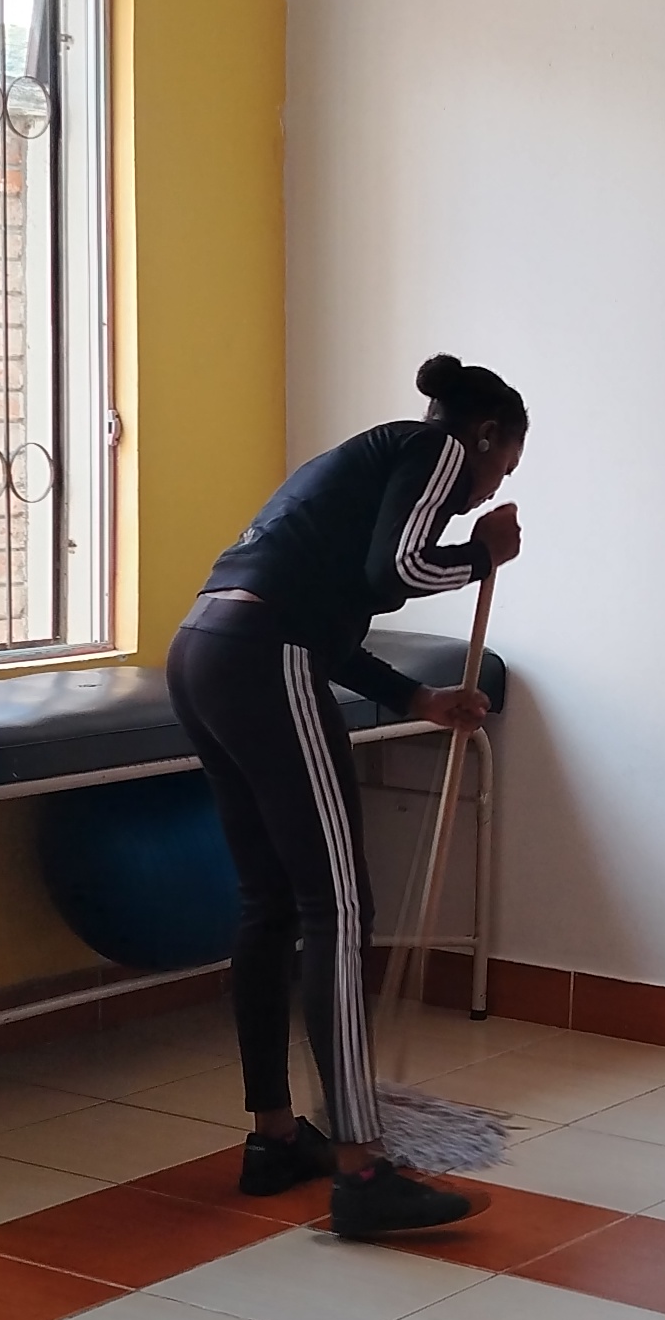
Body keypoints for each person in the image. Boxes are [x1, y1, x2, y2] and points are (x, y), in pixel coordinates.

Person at [167, 355, 525, 1236]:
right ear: (484, 435)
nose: (489, 489)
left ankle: (276, 1138)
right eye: (503, 467)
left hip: (205, 647)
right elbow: (394, 573)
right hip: (265, 658)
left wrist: (416, 698)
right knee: (338, 904)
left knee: (269, 902)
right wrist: (482, 555)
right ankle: (362, 1169)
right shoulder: (438, 450)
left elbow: (333, 611)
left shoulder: (366, 459)